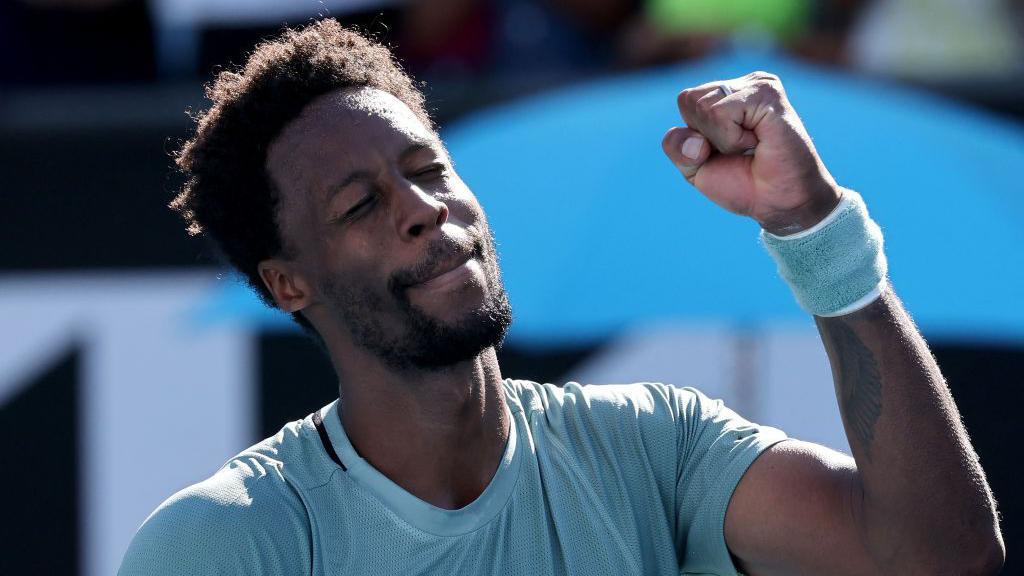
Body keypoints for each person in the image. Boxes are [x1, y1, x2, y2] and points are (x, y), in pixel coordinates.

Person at [118, 18, 1004, 576]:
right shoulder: (223, 542)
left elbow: (942, 557)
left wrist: (814, 230)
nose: (426, 210)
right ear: (287, 281)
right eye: (360, 205)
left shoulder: (655, 444)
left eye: (429, 170)